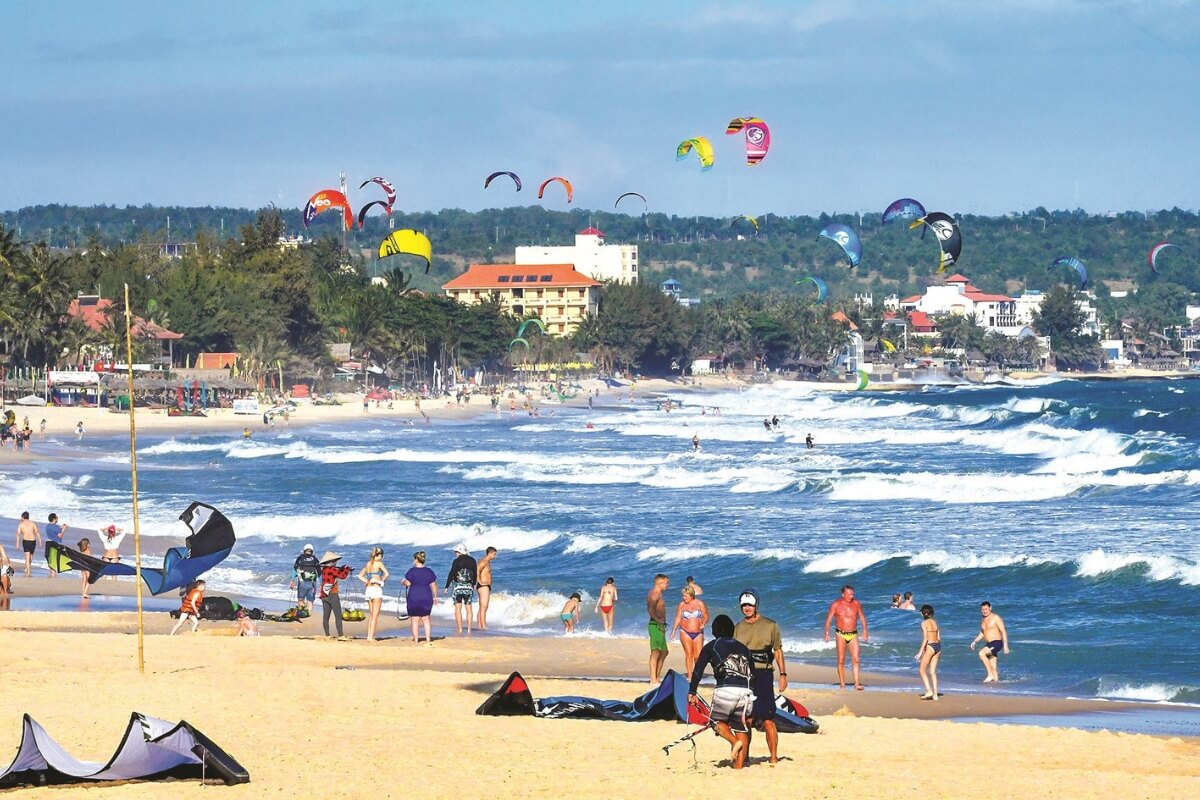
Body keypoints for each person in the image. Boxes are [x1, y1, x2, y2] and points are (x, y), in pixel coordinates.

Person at [688, 614, 755, 769]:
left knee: (716, 722)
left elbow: (698, 671)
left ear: (715, 631)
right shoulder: (744, 647)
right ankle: (738, 767)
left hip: (726, 689)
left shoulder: (712, 646)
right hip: (747, 690)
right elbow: (753, 674)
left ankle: (733, 742)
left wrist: (692, 691)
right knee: (741, 728)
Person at [734, 590, 786, 765]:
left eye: (750, 605)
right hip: (745, 676)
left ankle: (773, 757)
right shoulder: (738, 628)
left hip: (764, 674)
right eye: (744, 605)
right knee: (746, 719)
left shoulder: (771, 626)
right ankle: (745, 757)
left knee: (768, 718)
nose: (747, 608)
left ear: (756, 605)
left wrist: (783, 674)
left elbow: (777, 651)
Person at [824, 584, 869, 691]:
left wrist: (865, 631)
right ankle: (842, 684)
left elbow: (862, 617)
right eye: (849, 594)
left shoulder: (856, 603)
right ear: (843, 594)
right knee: (841, 659)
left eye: (852, 594)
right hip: (840, 634)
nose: (851, 596)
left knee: (856, 659)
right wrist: (826, 632)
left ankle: (857, 684)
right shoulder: (836, 604)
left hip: (853, 634)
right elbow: (829, 619)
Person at [669, 586, 709, 679]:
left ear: (692, 595)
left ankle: (697, 672)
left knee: (698, 656)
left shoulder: (700, 603)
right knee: (689, 654)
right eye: (683, 596)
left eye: (686, 596)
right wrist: (673, 630)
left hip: (698, 633)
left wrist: (703, 623)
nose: (684, 598)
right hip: (685, 632)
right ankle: (690, 676)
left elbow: (706, 615)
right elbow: (678, 618)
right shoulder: (681, 605)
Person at [969, 601, 1010, 683]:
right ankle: (996, 684)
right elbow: (982, 632)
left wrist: (1006, 646)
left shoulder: (996, 618)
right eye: (982, 609)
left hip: (997, 643)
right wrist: (975, 641)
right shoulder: (983, 619)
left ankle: (990, 674)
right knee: (993, 666)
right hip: (989, 644)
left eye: (986, 609)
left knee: (981, 653)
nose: (984, 611)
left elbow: (1003, 631)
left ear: (990, 608)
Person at [402, 550, 438, 644]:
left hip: (414, 596)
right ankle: (428, 639)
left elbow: (408, 583)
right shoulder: (429, 571)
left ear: (416, 560)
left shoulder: (412, 571)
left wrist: (403, 582)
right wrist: (435, 596)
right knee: (426, 618)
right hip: (426, 596)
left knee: (415, 619)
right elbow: (433, 585)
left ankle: (416, 640)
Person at [357, 547, 389, 643]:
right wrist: (381, 581)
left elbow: (359, 576)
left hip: (369, 590)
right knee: (375, 616)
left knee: (371, 615)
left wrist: (367, 581)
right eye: (381, 556)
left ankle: (368, 636)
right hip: (376, 590)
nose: (382, 558)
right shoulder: (379, 564)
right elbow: (387, 574)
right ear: (378, 555)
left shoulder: (368, 564)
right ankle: (371, 637)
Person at [445, 543, 478, 635]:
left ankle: (459, 629)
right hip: (468, 587)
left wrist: (446, 586)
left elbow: (451, 574)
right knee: (469, 609)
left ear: (459, 551)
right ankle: (469, 630)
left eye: (456, 552)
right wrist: (474, 584)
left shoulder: (456, 561)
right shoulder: (472, 560)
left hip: (457, 588)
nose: (455, 553)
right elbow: (475, 574)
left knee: (458, 608)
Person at [318, 552, 352, 639]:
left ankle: (327, 635)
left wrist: (341, 568)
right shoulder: (332, 569)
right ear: (331, 562)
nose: (336, 563)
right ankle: (340, 635)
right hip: (333, 595)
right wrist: (347, 569)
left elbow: (335, 573)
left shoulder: (324, 570)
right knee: (338, 616)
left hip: (324, 595)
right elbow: (343, 576)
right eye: (335, 561)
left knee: (326, 616)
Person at [646, 574, 670, 684]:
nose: (668, 585)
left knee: (664, 652)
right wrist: (658, 620)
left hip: (660, 625)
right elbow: (650, 609)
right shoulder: (655, 594)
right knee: (655, 652)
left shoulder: (658, 594)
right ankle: (653, 679)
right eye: (666, 583)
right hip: (655, 625)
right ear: (660, 583)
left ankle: (657, 676)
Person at [916, 604, 942, 700]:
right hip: (938, 646)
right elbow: (939, 637)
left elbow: (926, 638)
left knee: (922, 670)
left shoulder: (923, 623)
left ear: (922, 614)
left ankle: (928, 691)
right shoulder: (935, 622)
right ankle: (935, 695)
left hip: (930, 646)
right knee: (932, 672)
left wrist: (920, 652)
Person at [290, 544, 319, 614]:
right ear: (312, 551)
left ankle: (302, 614)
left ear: (304, 551)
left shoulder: (300, 558)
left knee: (300, 599)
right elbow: (319, 572)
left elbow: (295, 569)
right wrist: (321, 584)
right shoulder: (315, 559)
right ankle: (308, 614)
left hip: (302, 582)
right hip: (312, 583)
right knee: (310, 601)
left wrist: (292, 580)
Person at [476, 546, 497, 630]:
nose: (495, 556)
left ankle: (480, 626)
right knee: (484, 606)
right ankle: (483, 626)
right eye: (494, 554)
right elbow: (477, 569)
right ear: (490, 553)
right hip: (483, 586)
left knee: (482, 607)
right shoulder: (484, 561)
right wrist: (479, 581)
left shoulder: (487, 562)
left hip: (486, 586)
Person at [15, 512, 41, 578]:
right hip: (33, 541)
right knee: (31, 556)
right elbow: (37, 532)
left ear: (23, 517)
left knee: (27, 557)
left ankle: (28, 570)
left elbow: (18, 534)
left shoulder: (21, 524)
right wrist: (40, 541)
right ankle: (28, 570)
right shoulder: (33, 523)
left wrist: (17, 544)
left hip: (26, 541)